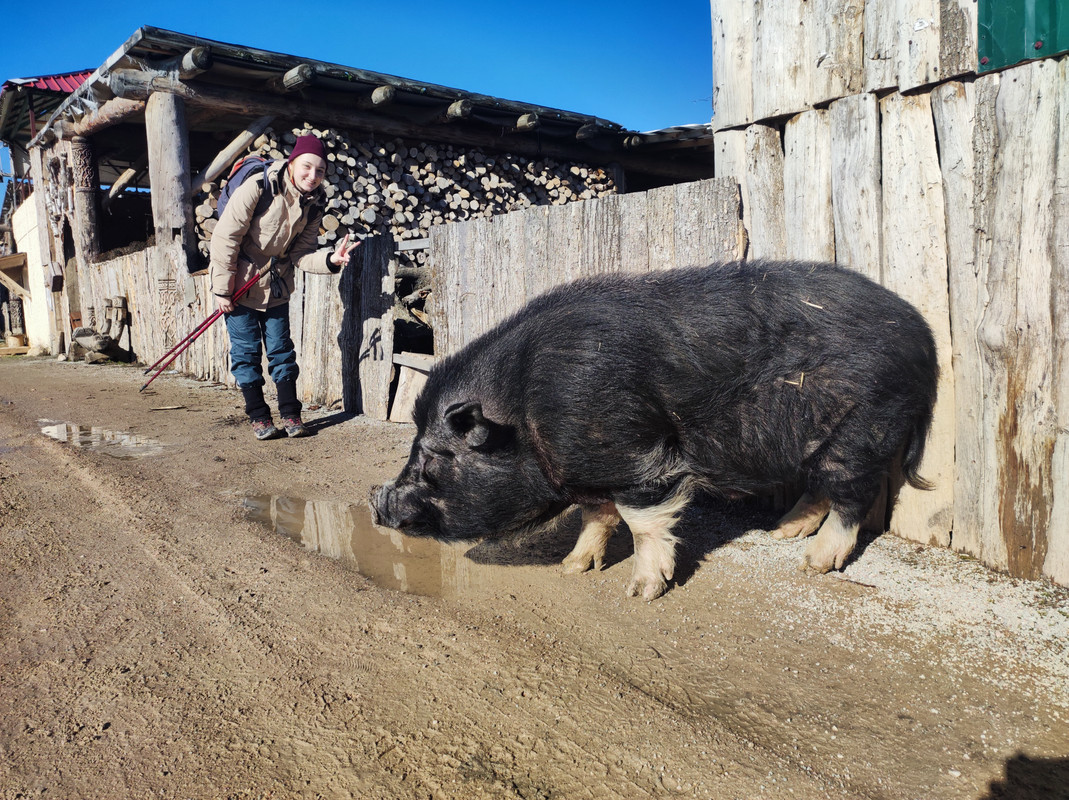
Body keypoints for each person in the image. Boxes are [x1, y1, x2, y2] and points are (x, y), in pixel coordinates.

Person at [210, 134, 358, 440]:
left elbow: (301, 255)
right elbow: (226, 236)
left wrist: (331, 259)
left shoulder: (314, 207)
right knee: (246, 353)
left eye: (320, 171)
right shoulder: (260, 187)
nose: (312, 176)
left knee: (281, 351)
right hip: (239, 284)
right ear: (292, 163)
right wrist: (222, 289)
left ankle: (291, 415)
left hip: (276, 286)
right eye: (307, 166)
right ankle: (259, 418)